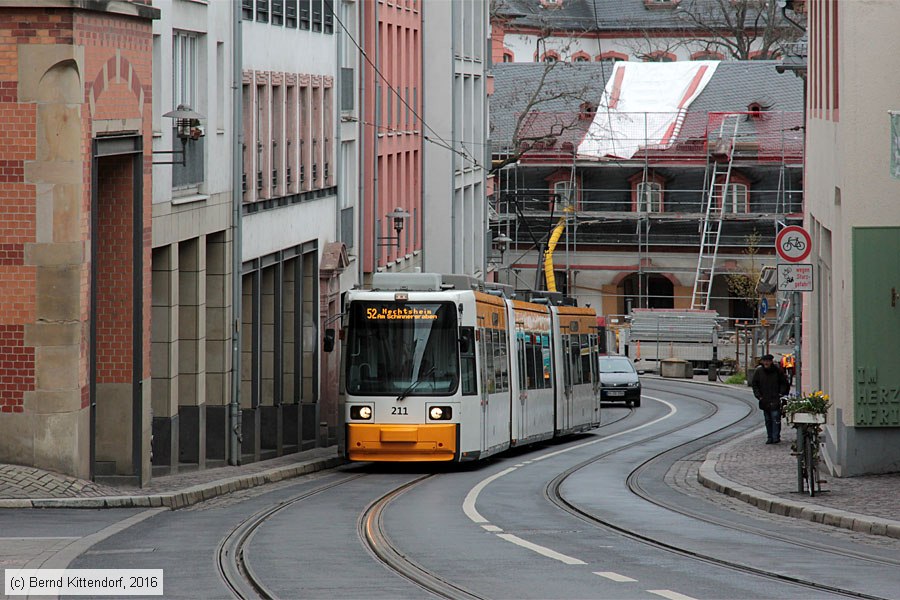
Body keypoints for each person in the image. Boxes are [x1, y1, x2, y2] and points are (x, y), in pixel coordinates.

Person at [751, 353, 790, 444]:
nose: (766, 363)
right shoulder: (759, 372)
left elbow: (784, 383)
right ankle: (770, 437)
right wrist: (759, 396)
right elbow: (755, 384)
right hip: (764, 399)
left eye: (768, 361)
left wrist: (781, 393)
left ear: (771, 361)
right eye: (764, 361)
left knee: (775, 417)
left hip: (775, 398)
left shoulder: (777, 371)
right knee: (768, 419)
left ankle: (775, 436)